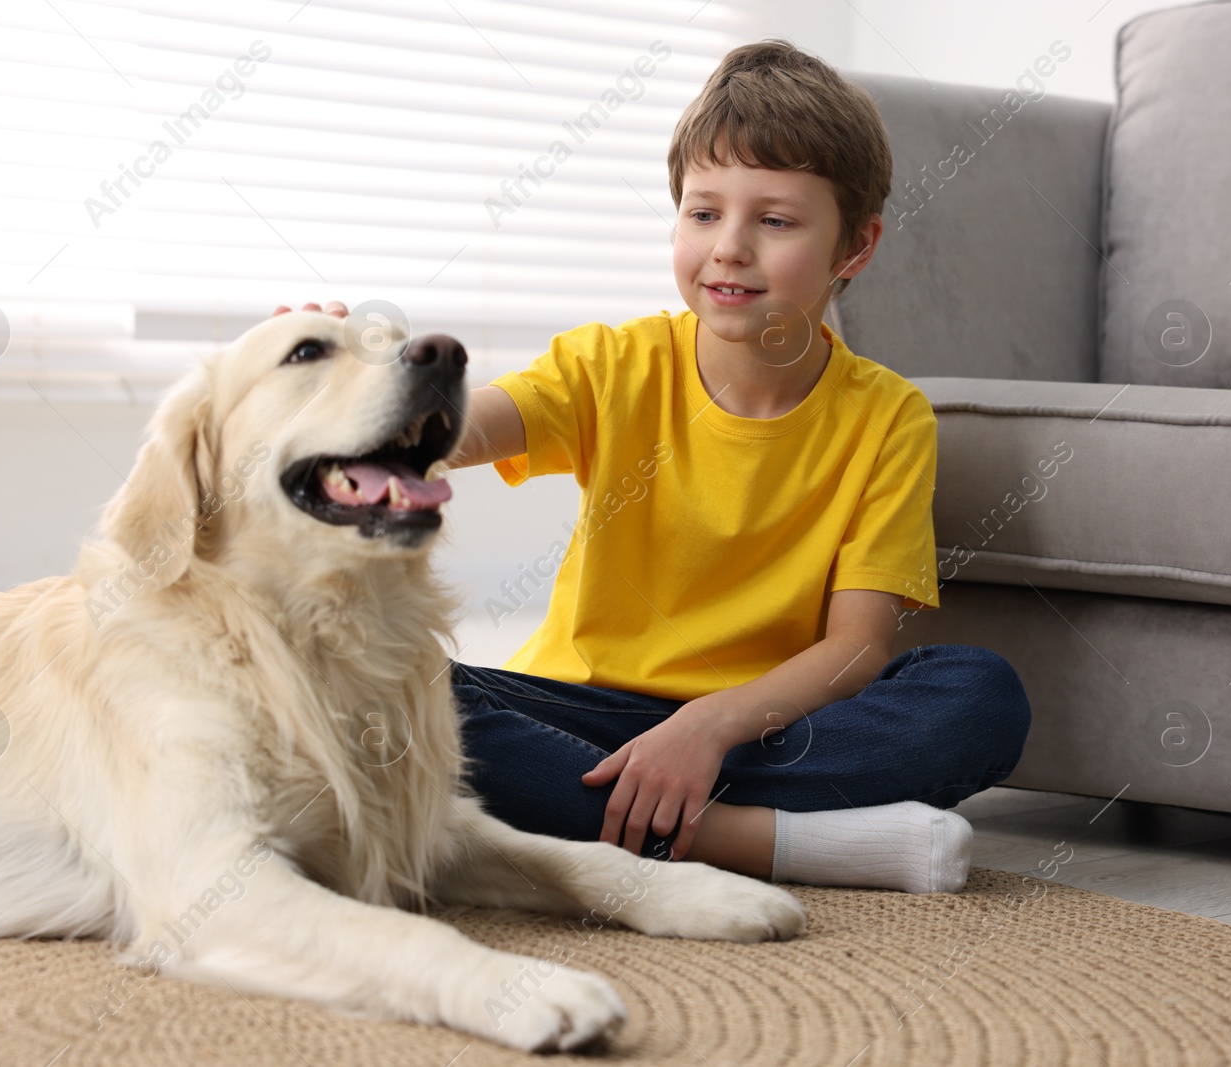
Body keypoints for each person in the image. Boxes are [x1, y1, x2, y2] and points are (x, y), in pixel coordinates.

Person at [279, 39, 1031, 894]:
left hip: (758, 727)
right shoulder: (612, 363)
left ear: (854, 248)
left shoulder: (889, 417)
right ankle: (752, 840)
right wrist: (347, 387)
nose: (729, 248)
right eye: (703, 213)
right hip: (572, 710)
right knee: (387, 686)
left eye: (774, 220)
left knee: (981, 693)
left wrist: (707, 727)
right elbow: (458, 428)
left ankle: (596, 808)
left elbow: (857, 648)